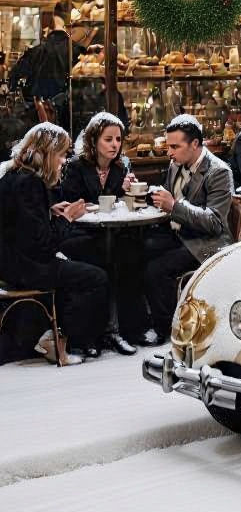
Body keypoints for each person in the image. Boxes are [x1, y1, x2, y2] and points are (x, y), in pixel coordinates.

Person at [0, 122, 107, 364]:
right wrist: (68, 217)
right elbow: (43, 244)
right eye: (61, 155)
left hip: (11, 261)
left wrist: (50, 210)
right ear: (47, 153)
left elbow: (21, 223)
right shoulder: (30, 183)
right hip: (25, 268)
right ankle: (65, 341)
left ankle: (57, 334)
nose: (63, 161)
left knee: (82, 254)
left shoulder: (14, 176)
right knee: (96, 278)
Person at [144, 115, 234, 343]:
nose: (169, 152)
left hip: (206, 244)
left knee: (156, 269)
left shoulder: (219, 172)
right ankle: (136, 325)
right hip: (178, 234)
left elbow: (215, 223)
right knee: (134, 250)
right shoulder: (176, 164)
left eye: (175, 146)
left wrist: (174, 206)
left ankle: (167, 331)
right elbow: (168, 195)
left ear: (195, 144)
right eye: (168, 146)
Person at [59, 112, 141, 354]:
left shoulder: (122, 165)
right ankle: (94, 335)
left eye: (118, 139)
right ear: (93, 140)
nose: (115, 145)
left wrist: (127, 191)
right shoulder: (75, 167)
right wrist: (114, 194)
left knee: (127, 256)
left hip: (111, 233)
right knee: (102, 260)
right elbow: (74, 205)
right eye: (108, 139)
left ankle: (118, 331)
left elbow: (120, 204)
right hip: (79, 233)